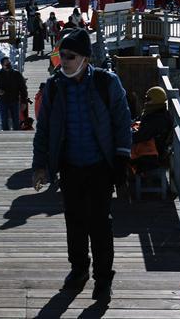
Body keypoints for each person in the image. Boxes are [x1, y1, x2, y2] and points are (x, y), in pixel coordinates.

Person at [32, 29, 132, 301]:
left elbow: (123, 122)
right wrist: (40, 165)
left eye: (69, 56)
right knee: (74, 221)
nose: (63, 60)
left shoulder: (106, 83)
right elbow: (44, 130)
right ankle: (79, 270)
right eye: (60, 55)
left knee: (100, 224)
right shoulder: (54, 87)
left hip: (100, 165)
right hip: (69, 166)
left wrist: (122, 160)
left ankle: (103, 278)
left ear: (85, 59)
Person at [129, 87, 173, 175]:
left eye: (148, 99)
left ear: (156, 100)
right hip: (150, 151)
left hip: (150, 157)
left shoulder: (157, 119)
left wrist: (124, 134)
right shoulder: (154, 112)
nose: (146, 101)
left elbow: (139, 136)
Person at [0, 56, 28, 131]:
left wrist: (24, 101)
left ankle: (17, 137)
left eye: (9, 63)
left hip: (15, 100)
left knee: (16, 120)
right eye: (6, 64)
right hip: (3, 101)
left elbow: (23, 88)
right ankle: (6, 136)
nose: (9, 65)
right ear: (2, 65)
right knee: (4, 120)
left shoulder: (17, 74)